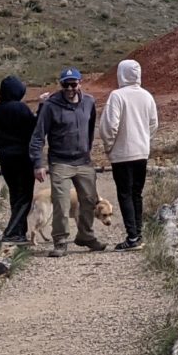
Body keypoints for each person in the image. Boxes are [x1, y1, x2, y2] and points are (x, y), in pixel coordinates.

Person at [29, 67, 102, 255]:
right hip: (60, 161)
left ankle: (85, 235)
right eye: (65, 85)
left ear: (80, 83)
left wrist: (87, 149)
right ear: (60, 85)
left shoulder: (89, 102)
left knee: (89, 200)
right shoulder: (50, 106)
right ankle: (60, 241)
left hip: (83, 160)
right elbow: (38, 136)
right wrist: (38, 163)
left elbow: (90, 128)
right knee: (61, 202)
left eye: (73, 84)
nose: (70, 89)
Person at [101, 58, 160, 251]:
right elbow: (153, 124)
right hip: (141, 152)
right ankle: (138, 234)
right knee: (136, 194)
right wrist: (144, 141)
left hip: (122, 154)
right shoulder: (147, 96)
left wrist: (109, 146)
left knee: (125, 194)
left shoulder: (117, 96)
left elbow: (110, 126)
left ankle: (132, 237)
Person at [0, 75, 37, 246]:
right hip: (23, 158)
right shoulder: (21, 109)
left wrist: (3, 147)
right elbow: (33, 130)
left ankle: (20, 232)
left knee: (15, 194)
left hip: (5, 159)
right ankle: (12, 232)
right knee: (25, 196)